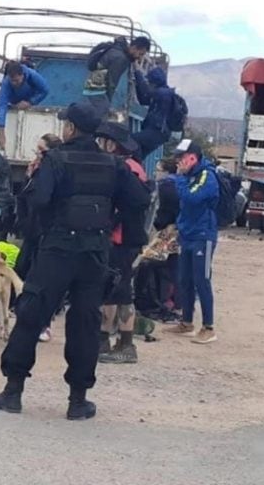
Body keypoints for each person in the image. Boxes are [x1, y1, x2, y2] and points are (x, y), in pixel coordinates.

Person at [0, 102, 150, 420]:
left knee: (32, 314)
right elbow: (140, 199)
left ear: (71, 129)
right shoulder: (113, 164)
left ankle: (13, 392)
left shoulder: (56, 159)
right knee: (85, 324)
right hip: (94, 253)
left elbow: (38, 200)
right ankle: (78, 401)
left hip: (57, 249)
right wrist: (111, 216)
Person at [94, 121, 149, 364]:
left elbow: (133, 203)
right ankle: (105, 338)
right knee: (113, 291)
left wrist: (112, 221)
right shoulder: (130, 166)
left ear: (111, 144)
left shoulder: (128, 169)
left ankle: (125, 344)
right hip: (123, 237)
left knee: (122, 291)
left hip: (124, 239)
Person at [164, 140, 219, 344]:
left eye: (182, 157)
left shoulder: (207, 176)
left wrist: (179, 179)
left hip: (202, 236)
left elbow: (191, 198)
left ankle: (208, 326)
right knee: (184, 279)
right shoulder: (190, 176)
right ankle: (186, 321)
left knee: (201, 280)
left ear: (193, 157)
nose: (179, 161)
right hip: (187, 234)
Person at [14, 133, 62, 342]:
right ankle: (3, 318)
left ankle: (45, 324)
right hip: (30, 230)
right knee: (19, 272)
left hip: (46, 232)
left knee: (43, 279)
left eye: (41, 150)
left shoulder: (54, 170)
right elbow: (24, 198)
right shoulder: (34, 170)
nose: (37, 154)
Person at [134, 157, 181, 322]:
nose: (155, 173)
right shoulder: (180, 184)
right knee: (172, 266)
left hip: (166, 233)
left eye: (158, 170)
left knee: (152, 263)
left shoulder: (165, 186)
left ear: (166, 171)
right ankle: (175, 301)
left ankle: (158, 301)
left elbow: (161, 212)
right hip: (177, 230)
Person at [83, 36, 151, 119]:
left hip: (91, 86)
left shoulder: (117, 49)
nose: (140, 58)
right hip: (97, 89)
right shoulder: (121, 58)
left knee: (94, 112)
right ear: (134, 48)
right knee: (101, 115)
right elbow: (112, 82)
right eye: (140, 54)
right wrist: (108, 101)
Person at [0, 61, 50, 150]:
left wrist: (30, 102)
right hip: (14, 103)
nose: (14, 83)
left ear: (22, 75)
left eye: (17, 80)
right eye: (12, 81)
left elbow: (45, 90)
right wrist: (1, 133)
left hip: (31, 103)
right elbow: (2, 105)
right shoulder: (7, 82)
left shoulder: (32, 75)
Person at [133, 67, 174, 160]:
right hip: (160, 133)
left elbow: (146, 94)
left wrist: (137, 73)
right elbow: (144, 100)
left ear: (154, 82)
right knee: (138, 154)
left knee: (131, 141)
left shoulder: (163, 93)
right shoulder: (164, 93)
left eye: (150, 82)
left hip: (157, 131)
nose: (149, 84)